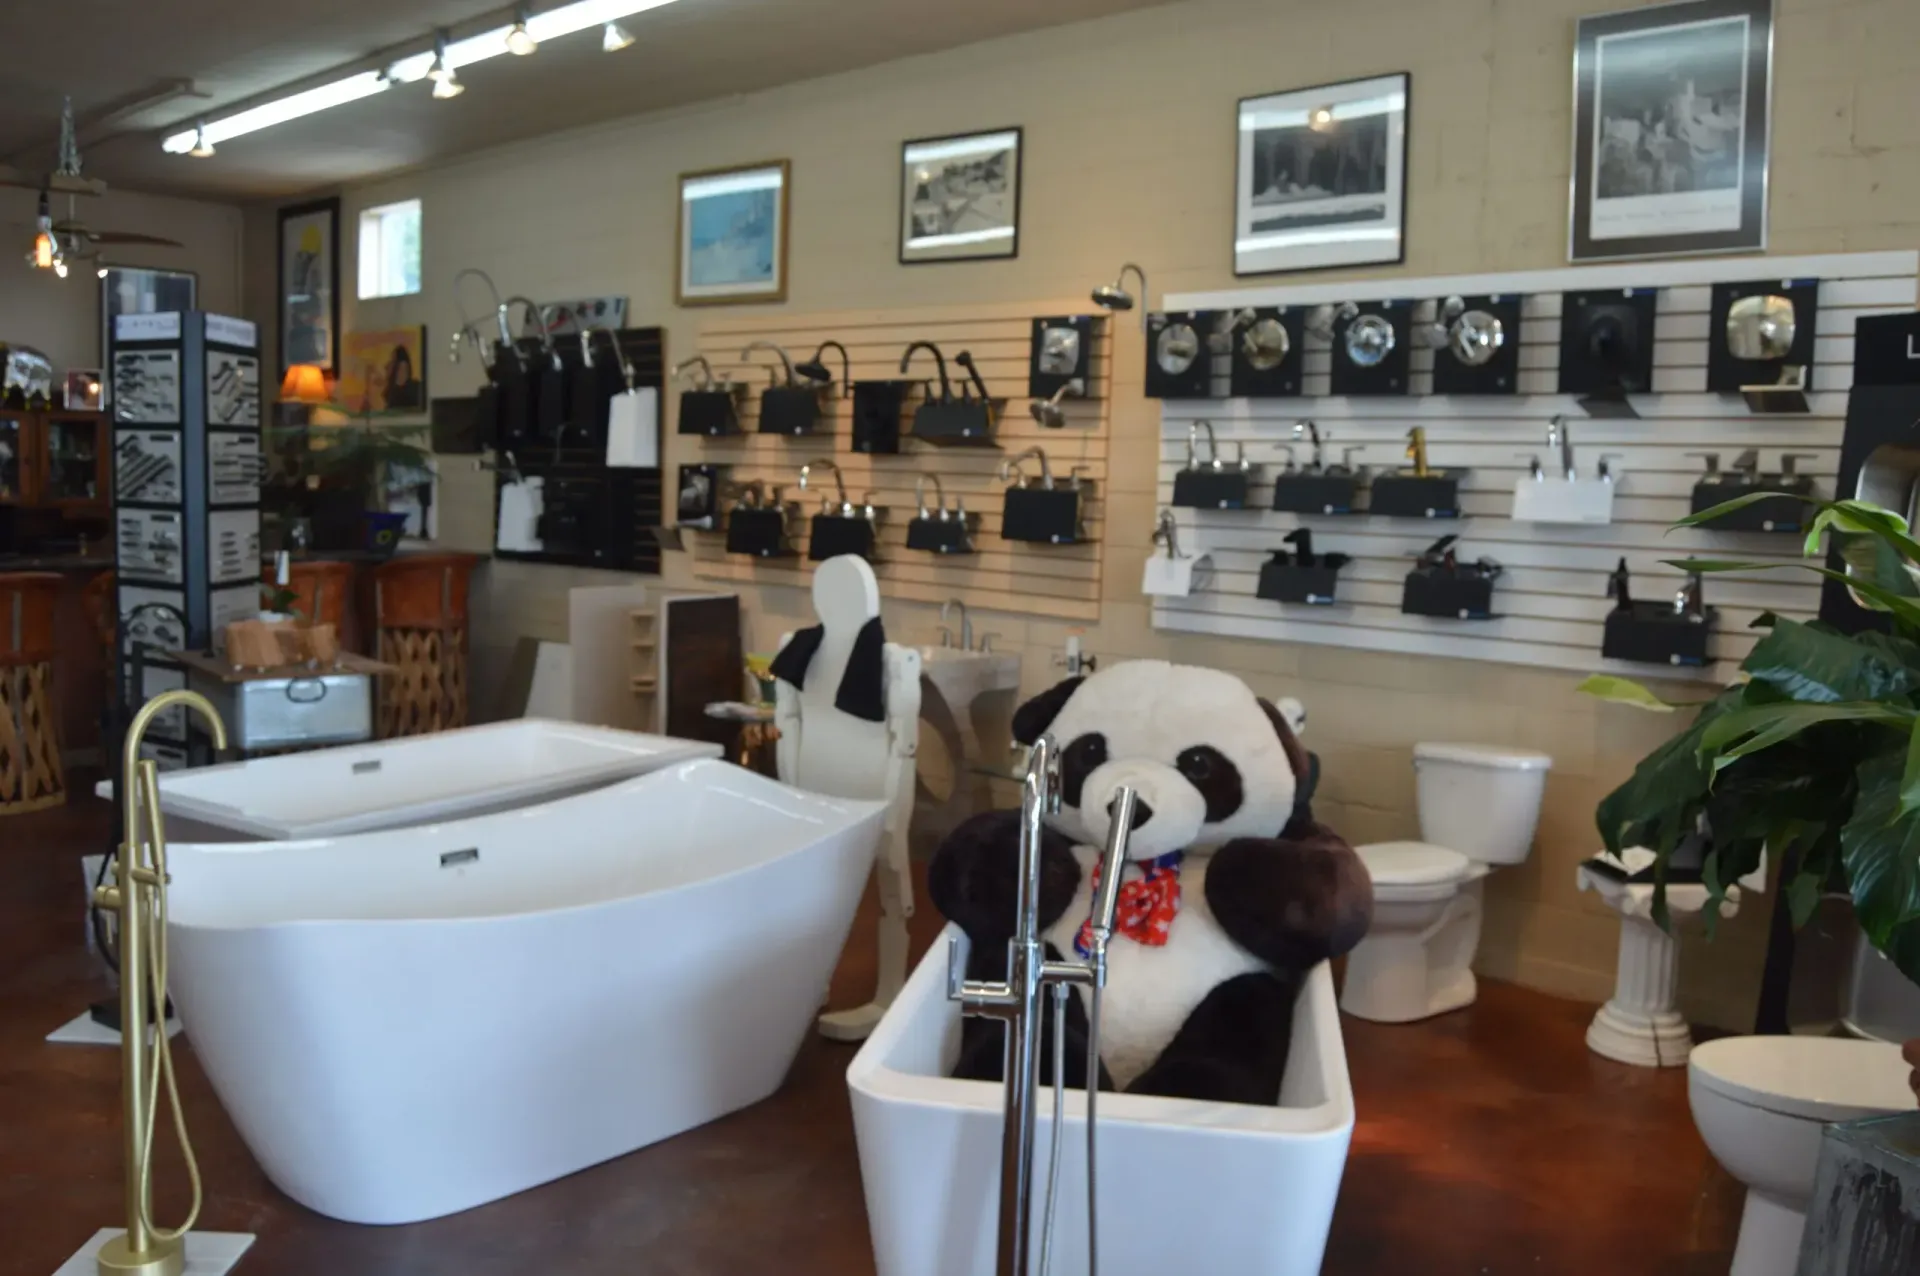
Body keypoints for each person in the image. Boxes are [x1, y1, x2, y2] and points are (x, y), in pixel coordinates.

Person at [383, 344, 423, 411]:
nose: (386, 366)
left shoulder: (418, 390)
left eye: (392, 361)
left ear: (403, 366)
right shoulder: (390, 394)